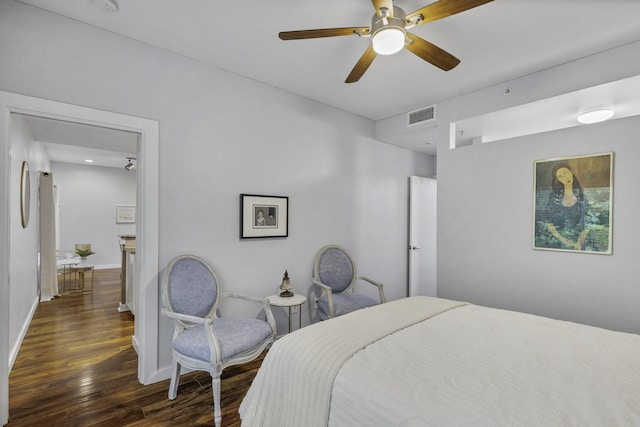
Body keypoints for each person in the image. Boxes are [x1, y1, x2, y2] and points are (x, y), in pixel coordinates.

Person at [544, 162, 588, 250]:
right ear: (558, 180)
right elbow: (549, 221)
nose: (565, 177)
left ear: (571, 172)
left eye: (565, 172)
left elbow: (587, 222)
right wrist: (562, 239)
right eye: (560, 176)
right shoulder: (555, 197)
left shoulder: (582, 197)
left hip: (580, 242)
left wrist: (578, 244)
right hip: (558, 241)